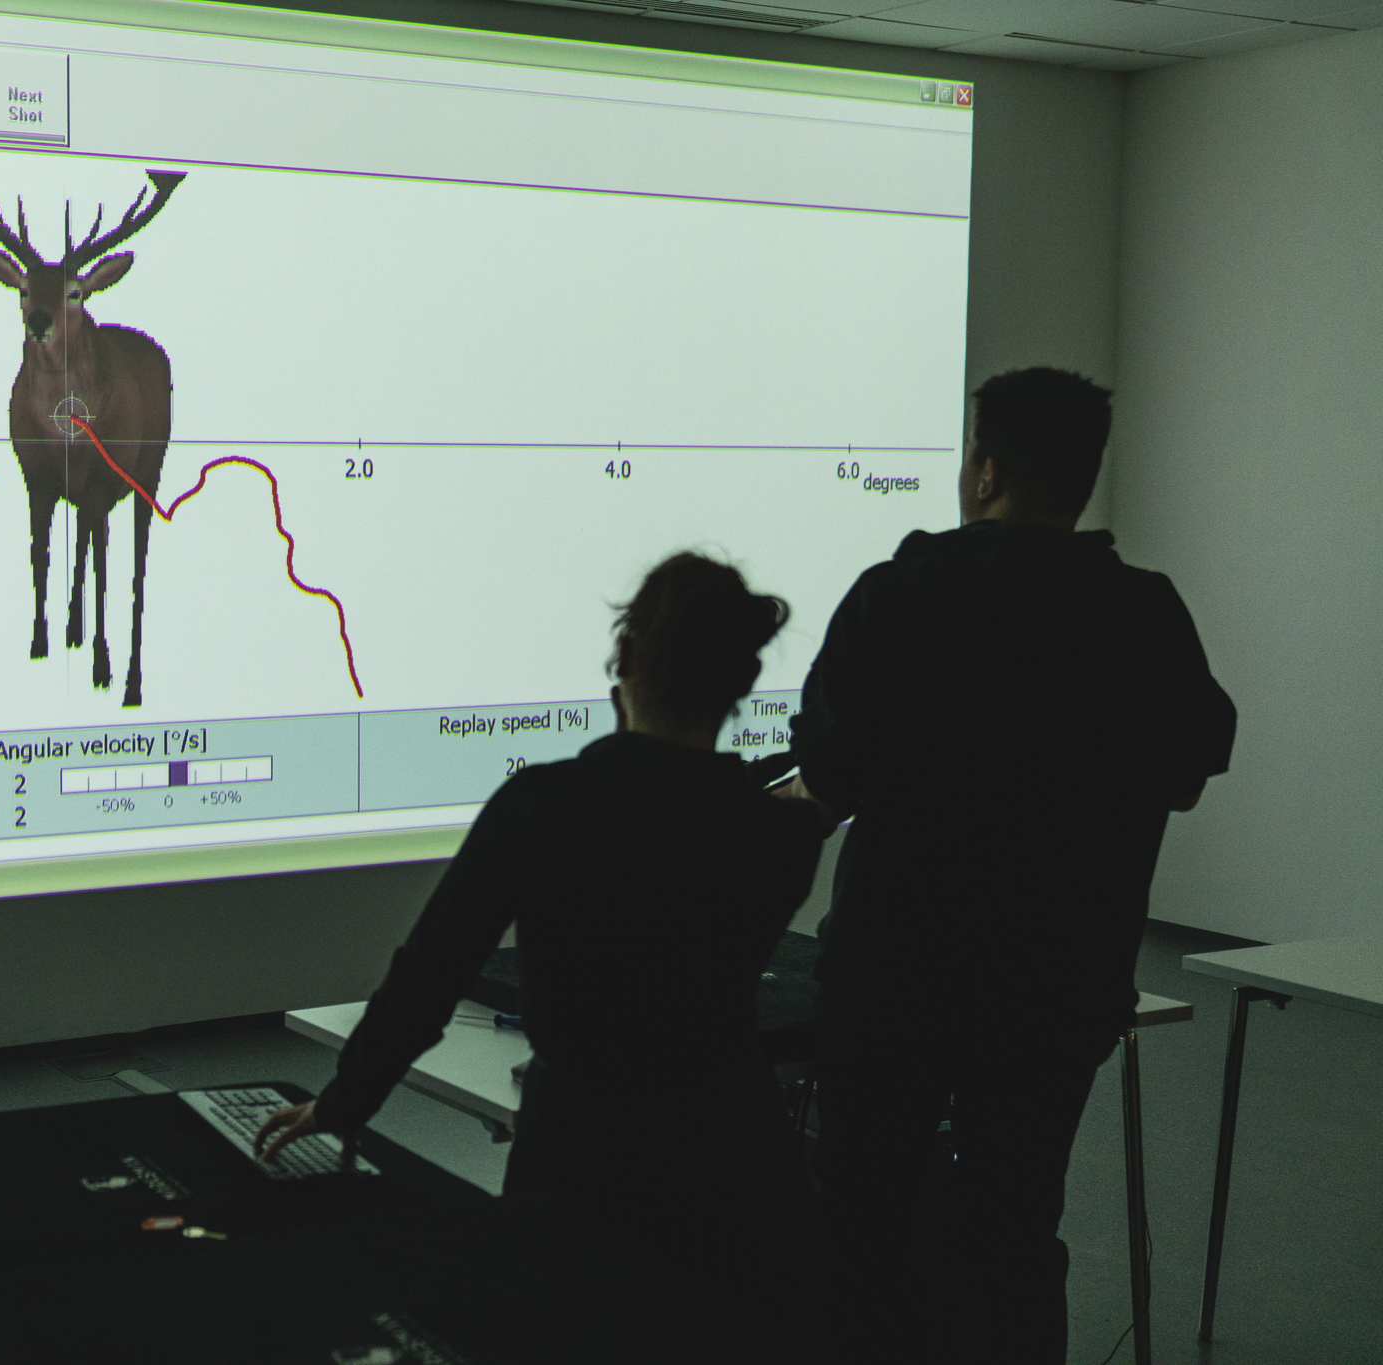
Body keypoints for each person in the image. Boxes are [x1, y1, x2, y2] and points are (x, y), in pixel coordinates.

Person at [256, 552, 834, 1352]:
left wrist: (343, 1103)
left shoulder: (539, 807)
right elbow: (762, 801)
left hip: (577, 1161)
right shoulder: (782, 838)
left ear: (622, 662)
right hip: (735, 1170)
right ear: (742, 683)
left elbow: (429, 975)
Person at [783, 367, 1237, 1364]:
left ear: (983, 470)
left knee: (862, 1223)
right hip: (1057, 986)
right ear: (1082, 477)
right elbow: (1188, 768)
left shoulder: (892, 598)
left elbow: (829, 776)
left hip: (891, 979)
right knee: (1012, 1225)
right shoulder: (1146, 613)